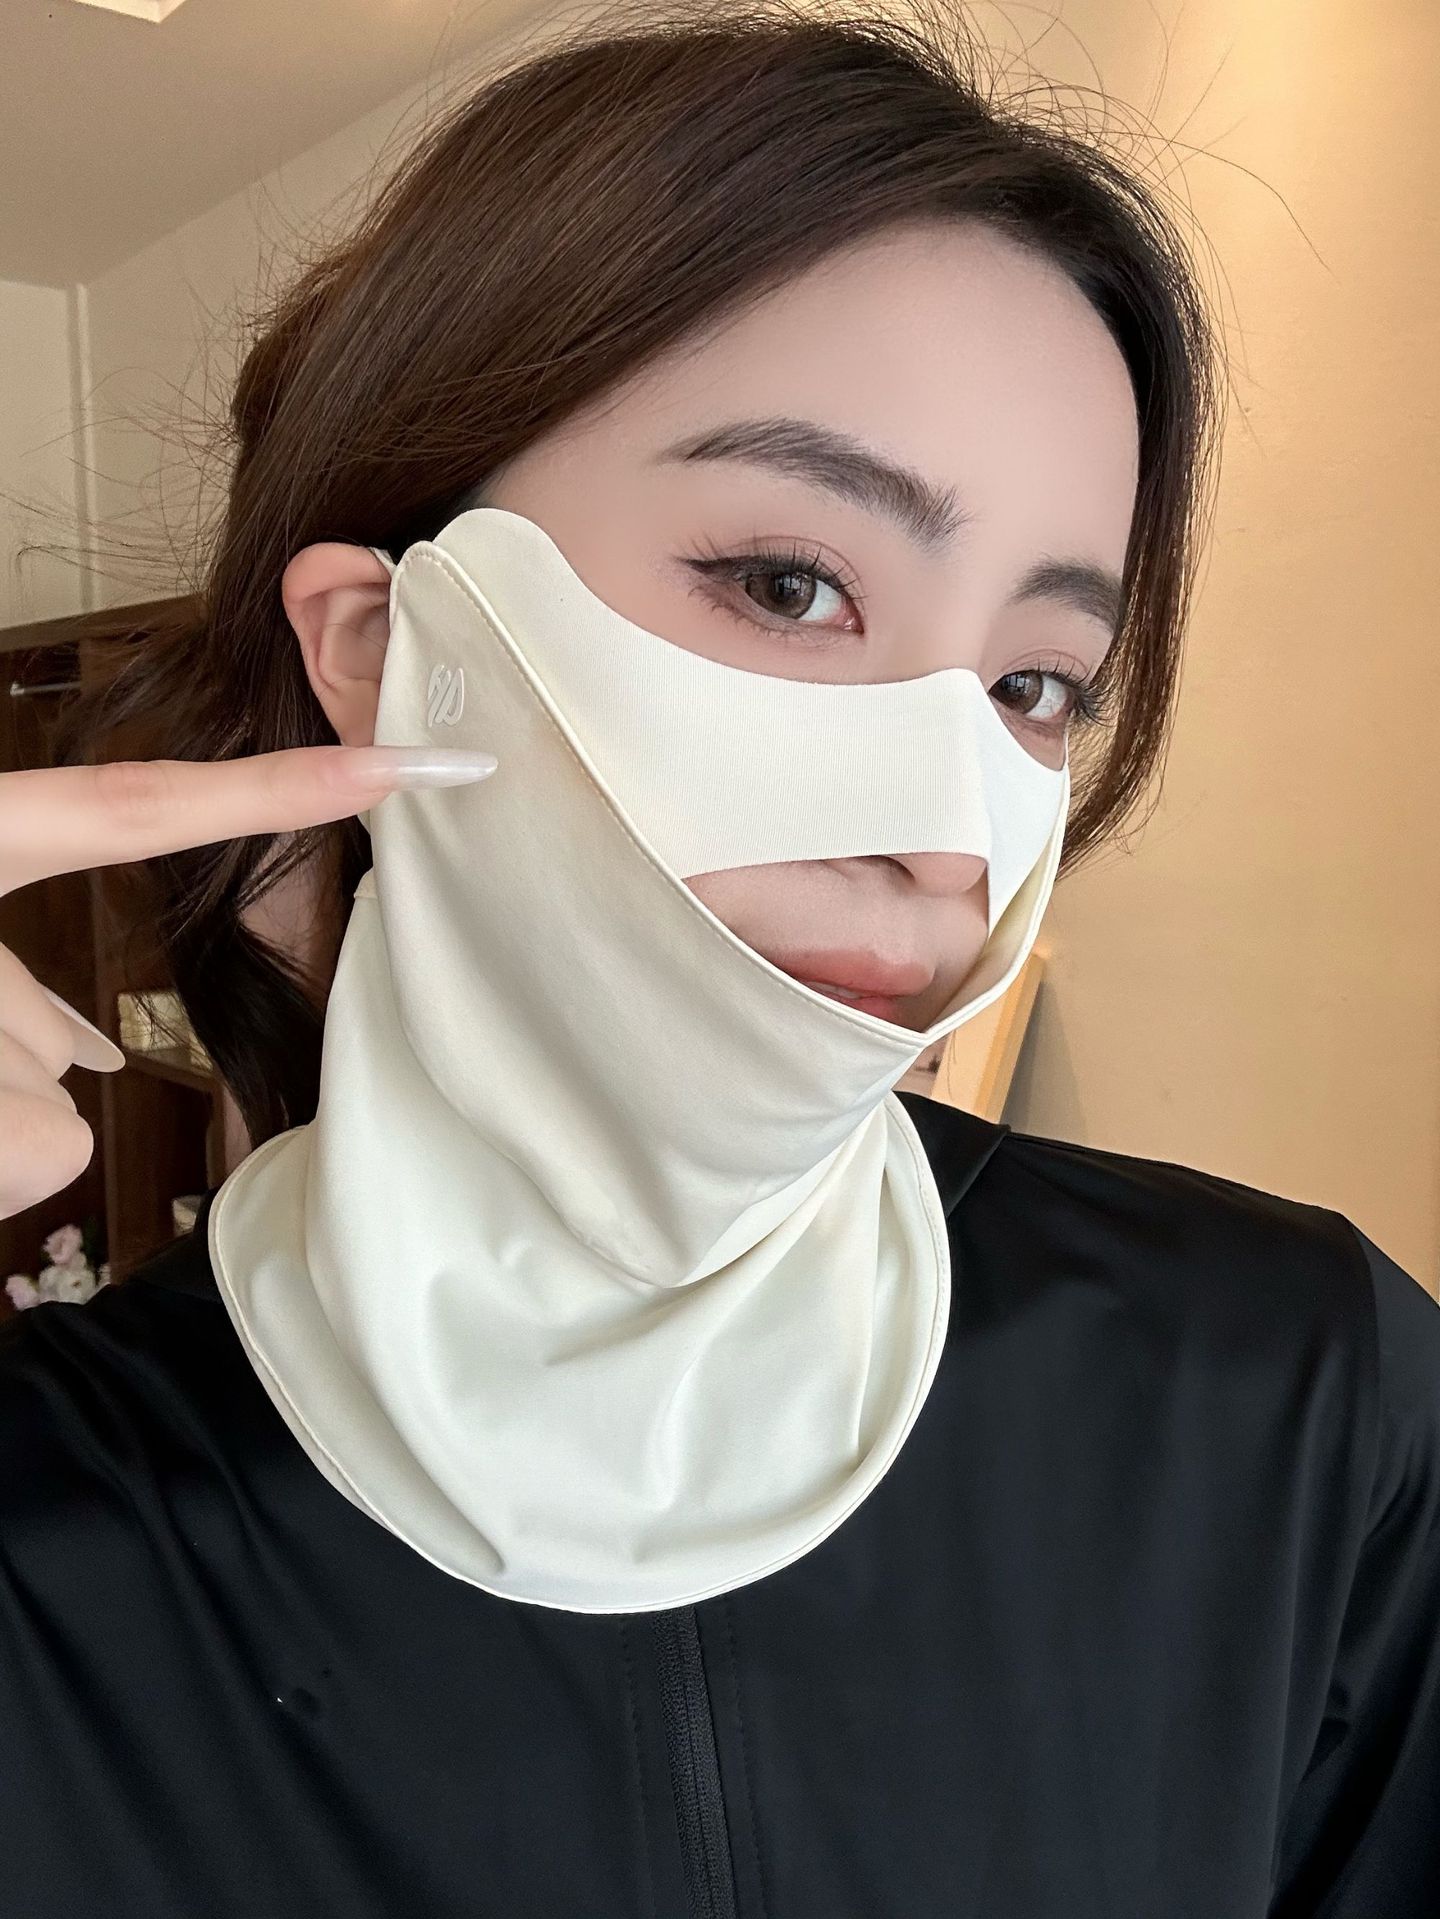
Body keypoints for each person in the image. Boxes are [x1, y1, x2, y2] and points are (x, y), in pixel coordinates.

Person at [2, 4, 1436, 1913]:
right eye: (790, 585)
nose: (946, 844)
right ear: (384, 650)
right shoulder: (46, 1526)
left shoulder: (1305, 1398)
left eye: (1034, 685)